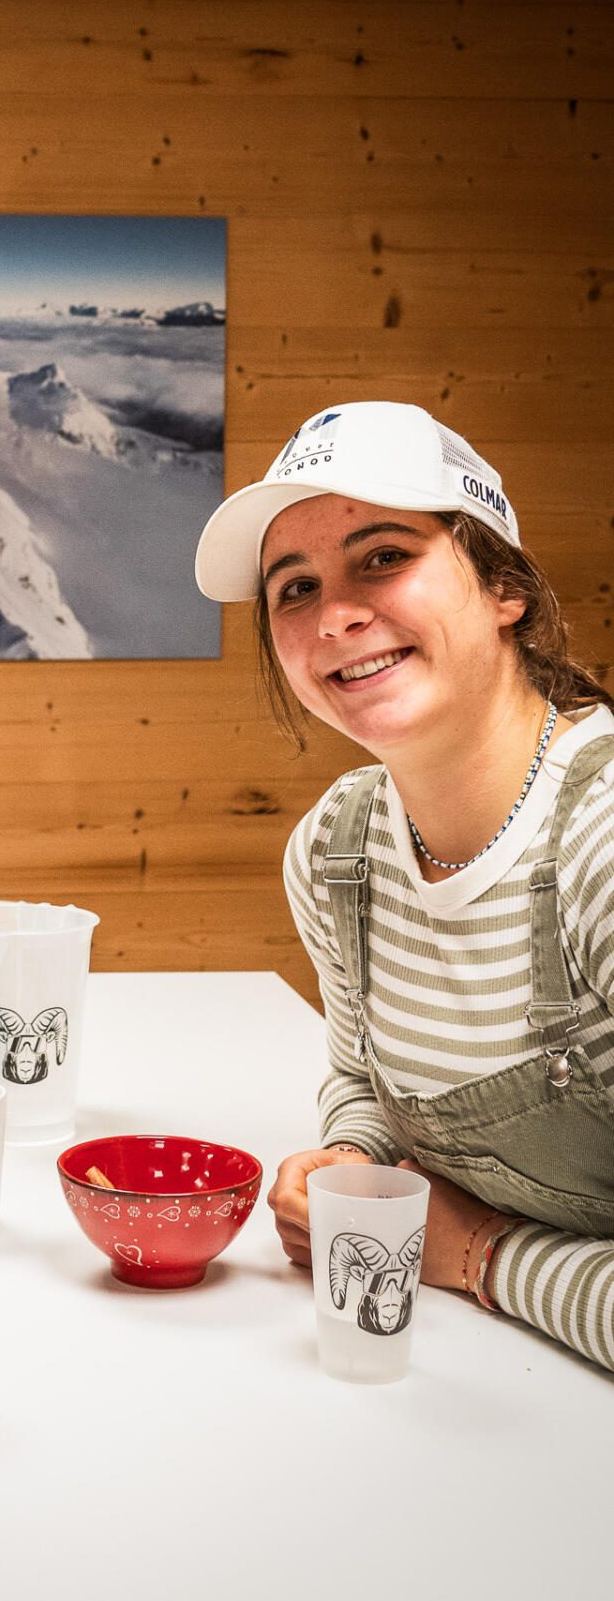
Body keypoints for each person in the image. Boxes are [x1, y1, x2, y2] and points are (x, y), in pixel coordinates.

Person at [195, 401, 614, 1372]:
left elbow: (463, 1247)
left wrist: (475, 1254)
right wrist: (356, 1156)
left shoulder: (596, 840)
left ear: (504, 586)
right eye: (293, 585)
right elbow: (366, 1075)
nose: (335, 613)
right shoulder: (336, 853)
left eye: (382, 557)